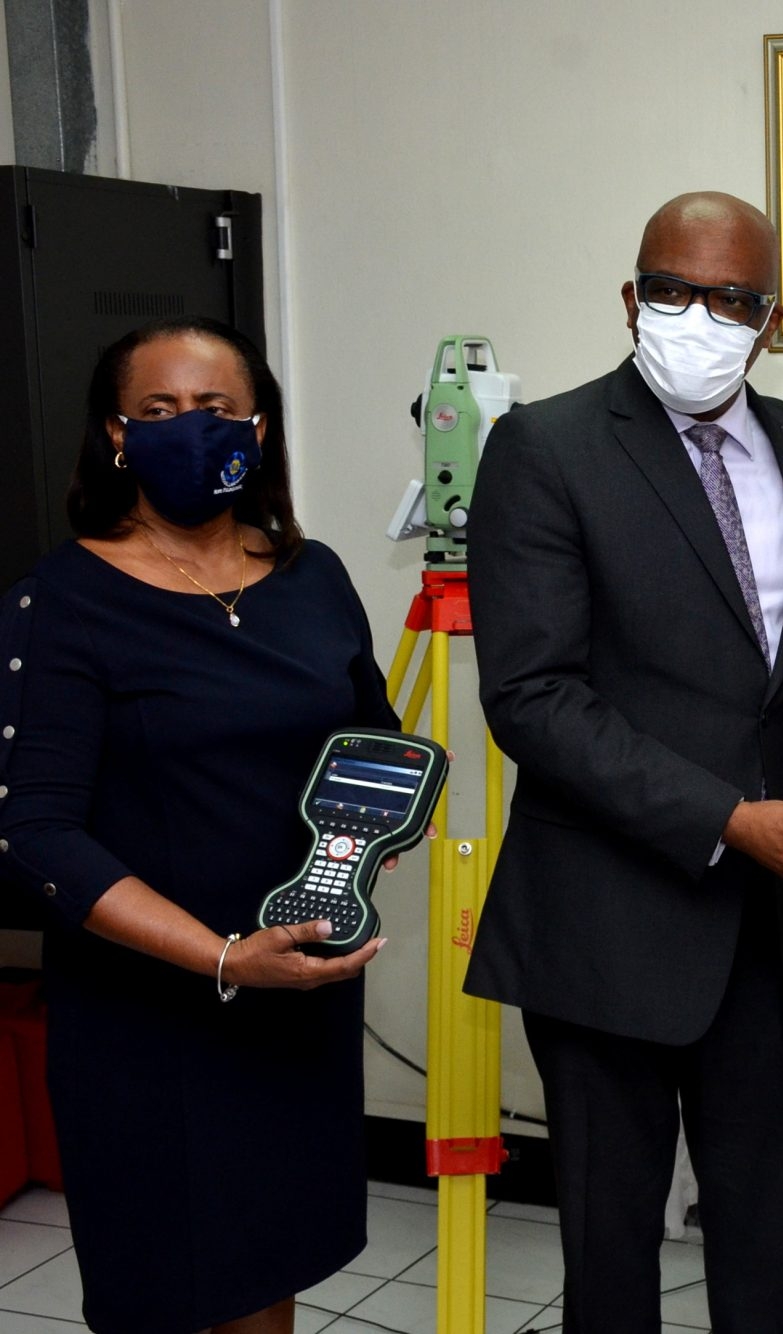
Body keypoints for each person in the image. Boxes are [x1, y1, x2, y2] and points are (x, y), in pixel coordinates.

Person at [464, 191, 783, 1333]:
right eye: (670, 289)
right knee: (612, 1253)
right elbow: (532, 696)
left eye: (730, 298)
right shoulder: (543, 447)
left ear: (772, 319)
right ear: (630, 297)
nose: (696, 315)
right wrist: (721, 817)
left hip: (766, 919)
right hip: (606, 917)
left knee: (768, 1239)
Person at [0, 317, 401, 1334]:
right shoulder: (62, 600)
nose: (192, 429)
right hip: (150, 1017)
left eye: (216, 409)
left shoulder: (313, 578)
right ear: (117, 436)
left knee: (269, 1269)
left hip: (293, 998)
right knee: (166, 1285)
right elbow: (37, 830)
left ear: (258, 429)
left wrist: (374, 838)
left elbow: (374, 742)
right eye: (160, 411)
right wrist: (224, 956)